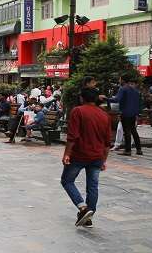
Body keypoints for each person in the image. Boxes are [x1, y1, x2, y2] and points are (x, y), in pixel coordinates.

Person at [61, 87, 112, 228]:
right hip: (97, 156)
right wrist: (104, 160)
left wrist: (67, 154)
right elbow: (107, 142)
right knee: (93, 186)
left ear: (82, 98)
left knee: (67, 181)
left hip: (79, 154)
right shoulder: (104, 115)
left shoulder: (78, 111)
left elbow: (72, 136)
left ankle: (83, 208)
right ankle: (88, 217)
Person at [104, 77, 142, 156]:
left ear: (123, 80)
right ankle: (139, 149)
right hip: (133, 113)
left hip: (125, 112)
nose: (119, 80)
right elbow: (139, 103)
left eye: (120, 79)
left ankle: (128, 150)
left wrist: (106, 99)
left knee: (127, 131)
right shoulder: (136, 91)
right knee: (133, 131)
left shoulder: (123, 89)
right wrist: (137, 114)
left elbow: (117, 100)